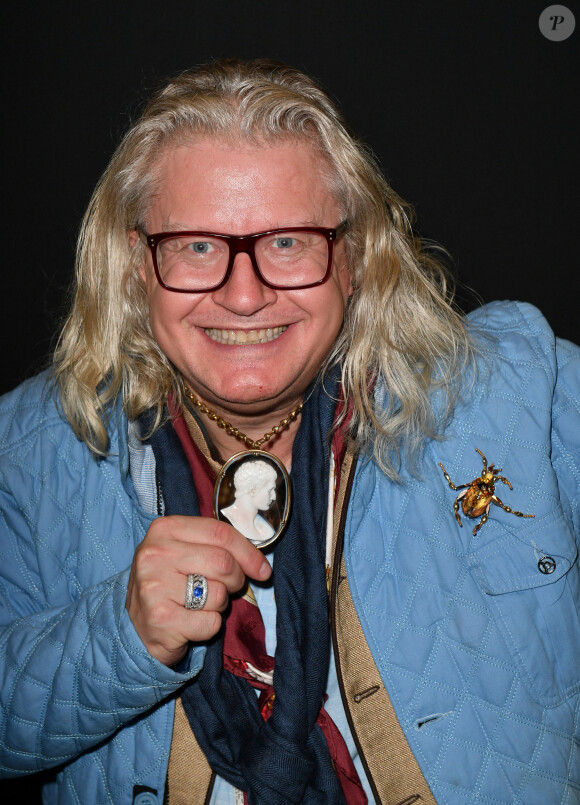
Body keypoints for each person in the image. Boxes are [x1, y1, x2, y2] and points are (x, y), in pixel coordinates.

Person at [0, 58, 578, 805]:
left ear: (355, 258)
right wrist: (118, 635)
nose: (244, 295)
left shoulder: (519, 391)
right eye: (198, 246)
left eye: (288, 242)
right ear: (134, 266)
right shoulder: (31, 449)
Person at [220, 461, 277, 547]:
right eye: (270, 490)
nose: (274, 497)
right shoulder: (224, 518)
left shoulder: (266, 529)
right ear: (253, 491)